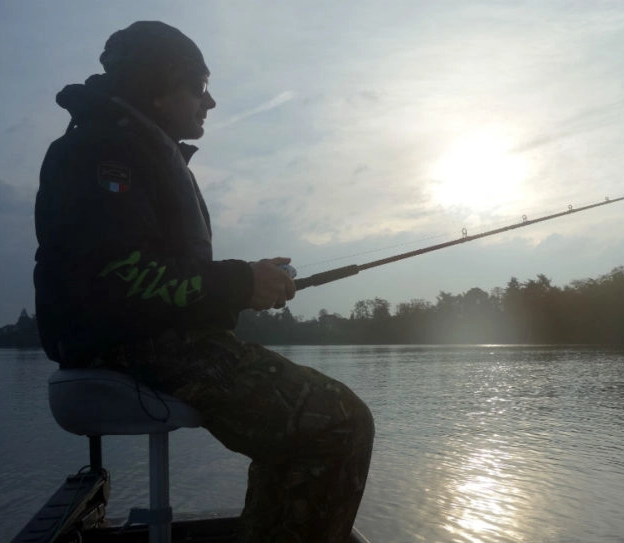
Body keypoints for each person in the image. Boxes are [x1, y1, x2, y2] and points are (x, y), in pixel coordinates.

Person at [34, 21, 374, 542]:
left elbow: (151, 274)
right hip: (134, 347)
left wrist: (252, 281)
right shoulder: (103, 154)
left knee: (307, 430)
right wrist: (240, 284)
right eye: (199, 85)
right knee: (341, 423)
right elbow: (119, 280)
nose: (210, 102)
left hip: (149, 339)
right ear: (158, 84)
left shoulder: (128, 147)